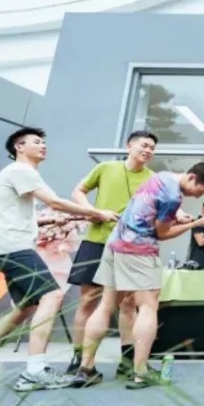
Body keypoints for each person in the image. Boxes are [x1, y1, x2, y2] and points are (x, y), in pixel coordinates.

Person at [0, 127, 117, 391]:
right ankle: (34, 372)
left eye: (43, 142)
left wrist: (52, 220)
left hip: (6, 247)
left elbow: (20, 212)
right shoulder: (20, 170)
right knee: (52, 295)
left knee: (25, 307)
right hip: (14, 247)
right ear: (19, 147)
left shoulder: (20, 174)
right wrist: (96, 213)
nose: (43, 146)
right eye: (36, 142)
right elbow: (55, 202)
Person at [71, 161, 204, 389]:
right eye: (200, 191)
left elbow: (152, 211)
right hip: (138, 249)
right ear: (191, 177)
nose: (197, 197)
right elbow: (162, 234)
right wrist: (195, 224)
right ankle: (140, 373)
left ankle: (86, 368)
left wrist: (176, 217)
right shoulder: (173, 197)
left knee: (105, 306)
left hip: (115, 243)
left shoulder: (161, 177)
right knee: (148, 306)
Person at [65, 129, 158, 377]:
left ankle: (127, 363)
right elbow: (78, 191)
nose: (148, 151)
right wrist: (93, 212)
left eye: (152, 148)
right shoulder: (105, 168)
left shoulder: (153, 179)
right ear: (129, 146)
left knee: (128, 303)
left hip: (131, 247)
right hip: (97, 240)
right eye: (144, 145)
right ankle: (80, 359)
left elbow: (163, 206)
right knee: (88, 300)